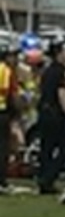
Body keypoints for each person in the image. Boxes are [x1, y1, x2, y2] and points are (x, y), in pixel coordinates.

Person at [36, 41, 65, 195]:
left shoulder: (47, 71)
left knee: (47, 148)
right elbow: (62, 93)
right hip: (55, 114)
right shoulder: (61, 72)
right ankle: (49, 178)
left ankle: (43, 180)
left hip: (44, 112)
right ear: (59, 53)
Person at [0, 41, 19, 193]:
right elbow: (11, 94)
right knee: (3, 147)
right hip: (2, 112)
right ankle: (1, 180)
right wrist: (17, 112)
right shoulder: (6, 71)